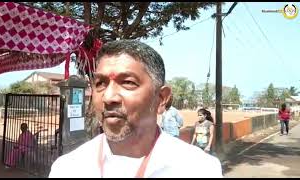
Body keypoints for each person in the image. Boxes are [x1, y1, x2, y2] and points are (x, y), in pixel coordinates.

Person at [49, 40, 222, 178]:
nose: (108, 97)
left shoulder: (199, 169)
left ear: (161, 99)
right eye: (100, 83)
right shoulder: (67, 169)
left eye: (128, 83)